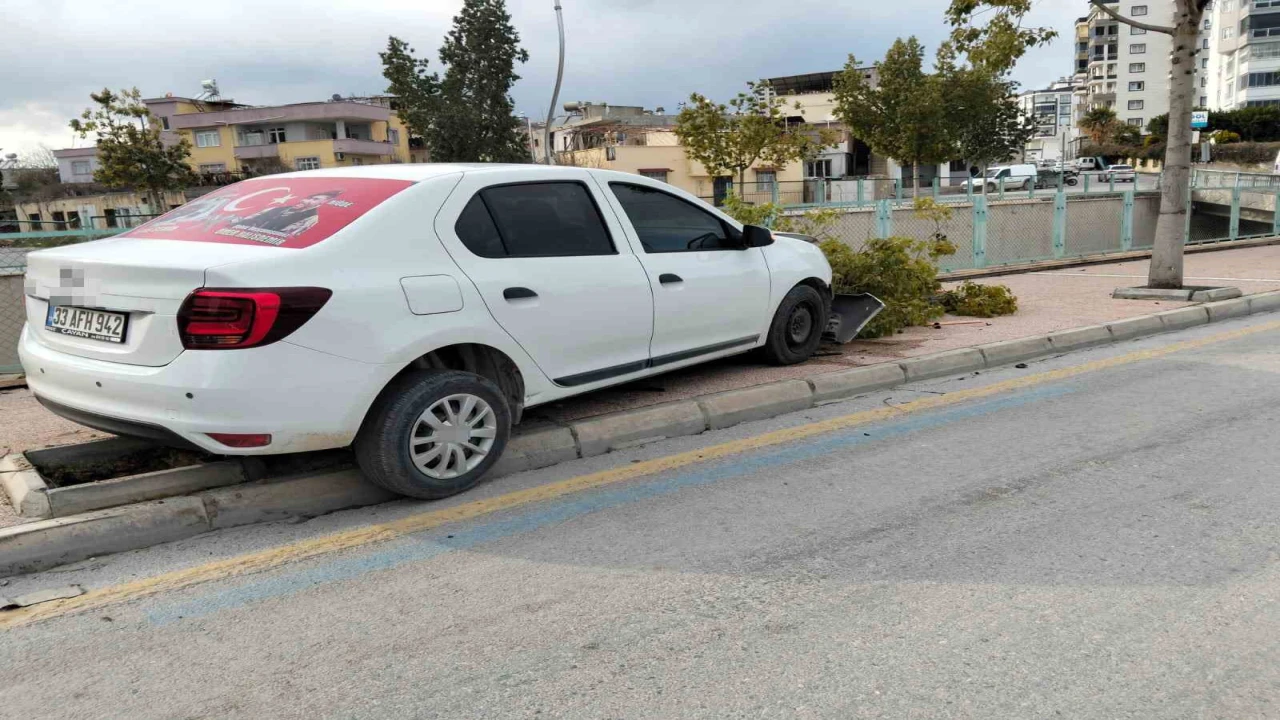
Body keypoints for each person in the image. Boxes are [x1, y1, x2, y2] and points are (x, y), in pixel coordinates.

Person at [235, 190, 342, 238]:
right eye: (308, 197)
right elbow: (249, 219)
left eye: (314, 199)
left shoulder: (310, 218)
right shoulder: (277, 209)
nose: (305, 200)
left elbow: (287, 236)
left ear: (322, 203)